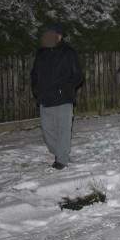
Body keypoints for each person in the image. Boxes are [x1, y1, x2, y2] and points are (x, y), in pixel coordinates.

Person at [30, 24, 84, 170]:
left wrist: (64, 88)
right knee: (47, 131)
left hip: (63, 98)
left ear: (60, 36)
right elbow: (34, 73)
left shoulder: (69, 52)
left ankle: (62, 159)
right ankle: (59, 151)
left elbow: (78, 75)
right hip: (44, 98)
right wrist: (36, 89)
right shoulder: (40, 53)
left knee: (63, 129)